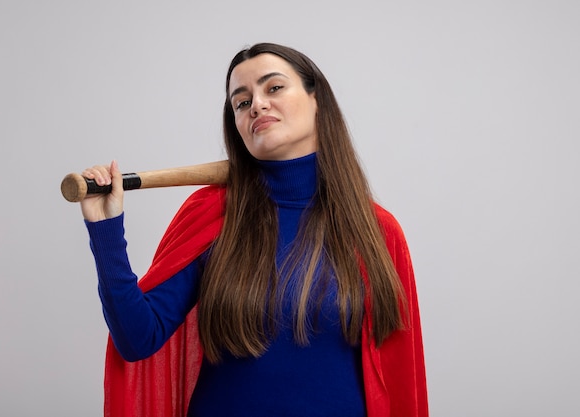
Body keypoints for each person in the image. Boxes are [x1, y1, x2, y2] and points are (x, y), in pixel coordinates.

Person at [80, 43, 428, 417]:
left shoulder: (377, 231)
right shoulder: (212, 214)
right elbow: (136, 339)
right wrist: (106, 230)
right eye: (241, 102)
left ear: (317, 100)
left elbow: (399, 377)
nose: (257, 105)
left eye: (273, 88)